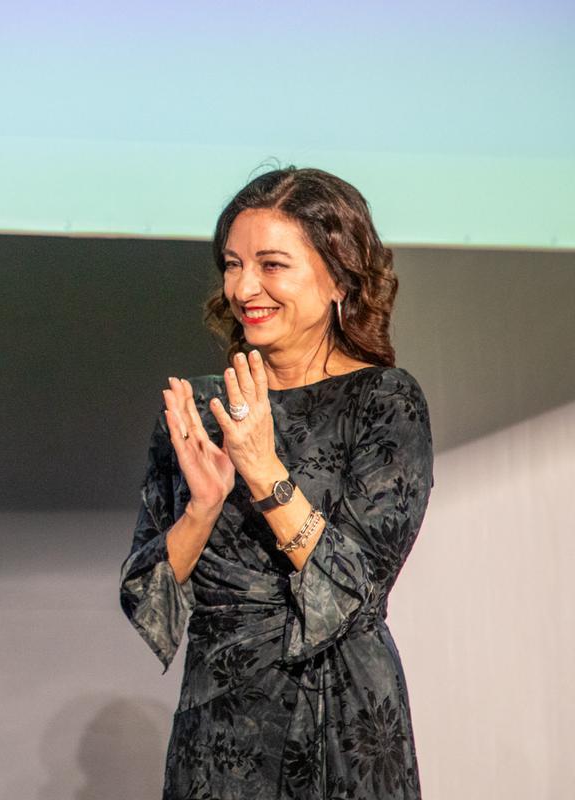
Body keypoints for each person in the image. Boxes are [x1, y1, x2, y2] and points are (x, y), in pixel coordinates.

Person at [121, 167, 432, 799]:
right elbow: (146, 595)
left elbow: (351, 592)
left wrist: (263, 470)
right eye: (233, 265)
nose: (245, 287)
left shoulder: (386, 400)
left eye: (271, 265)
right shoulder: (200, 409)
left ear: (339, 276)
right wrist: (202, 508)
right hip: (219, 724)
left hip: (338, 719)